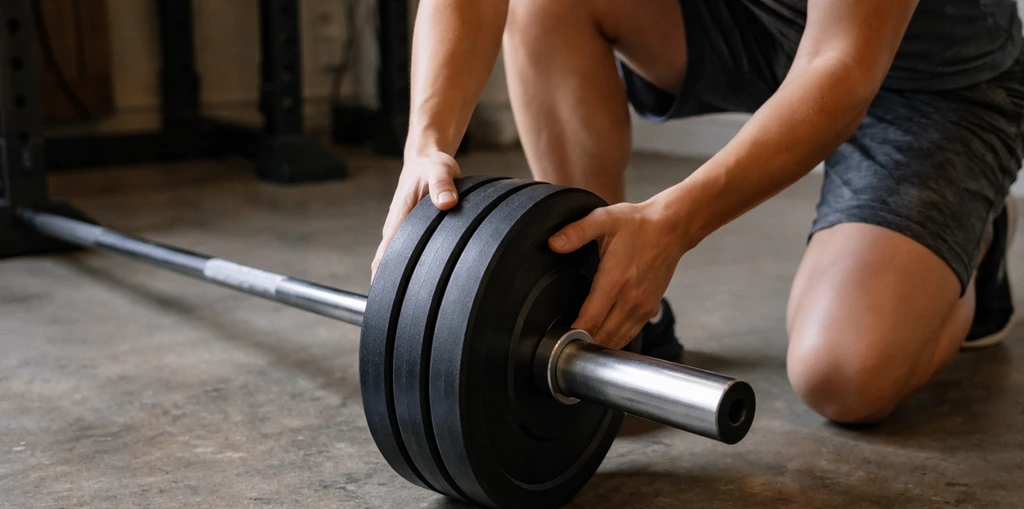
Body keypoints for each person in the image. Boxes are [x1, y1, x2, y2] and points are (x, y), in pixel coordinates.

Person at [374, 0, 1023, 424]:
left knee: (843, 378)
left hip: (933, 86)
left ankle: (975, 242)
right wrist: (427, 142)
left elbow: (840, 65)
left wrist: (669, 226)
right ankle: (608, 304)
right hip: (753, 23)